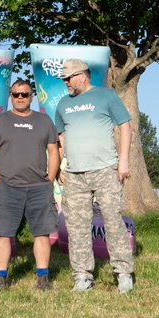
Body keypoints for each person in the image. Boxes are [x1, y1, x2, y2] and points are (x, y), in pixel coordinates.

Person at [53, 59, 135, 294]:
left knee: (112, 221)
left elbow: (125, 126)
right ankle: (82, 276)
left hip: (105, 170)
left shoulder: (105, 96)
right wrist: (60, 166)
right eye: (64, 79)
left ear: (83, 76)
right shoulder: (63, 104)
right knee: (77, 227)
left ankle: (123, 274)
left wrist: (124, 161)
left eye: (69, 78)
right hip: (74, 174)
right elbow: (61, 137)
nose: (66, 82)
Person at [0, 79, 60, 291]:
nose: (19, 97)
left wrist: (49, 181)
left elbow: (54, 152)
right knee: (3, 233)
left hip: (38, 188)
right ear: (10, 96)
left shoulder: (44, 121)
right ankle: (1, 279)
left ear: (31, 97)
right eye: (15, 94)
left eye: (24, 94)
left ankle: (42, 279)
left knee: (42, 233)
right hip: (7, 187)